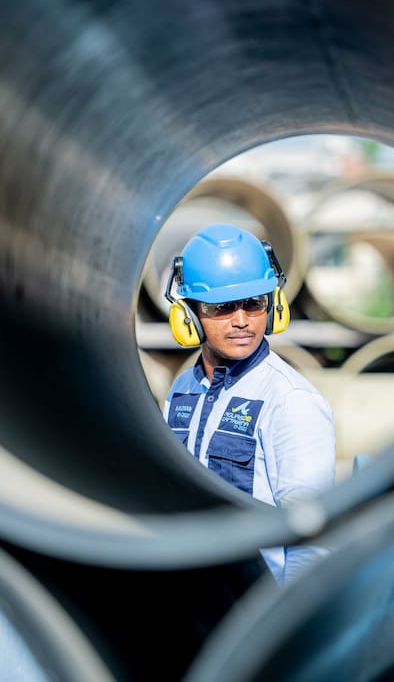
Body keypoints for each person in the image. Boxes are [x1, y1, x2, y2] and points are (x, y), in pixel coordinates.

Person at [161, 222, 335, 585]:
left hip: (255, 606)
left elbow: (310, 538)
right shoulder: (182, 390)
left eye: (254, 303)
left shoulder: (289, 400)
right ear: (189, 314)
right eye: (222, 307)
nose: (242, 321)